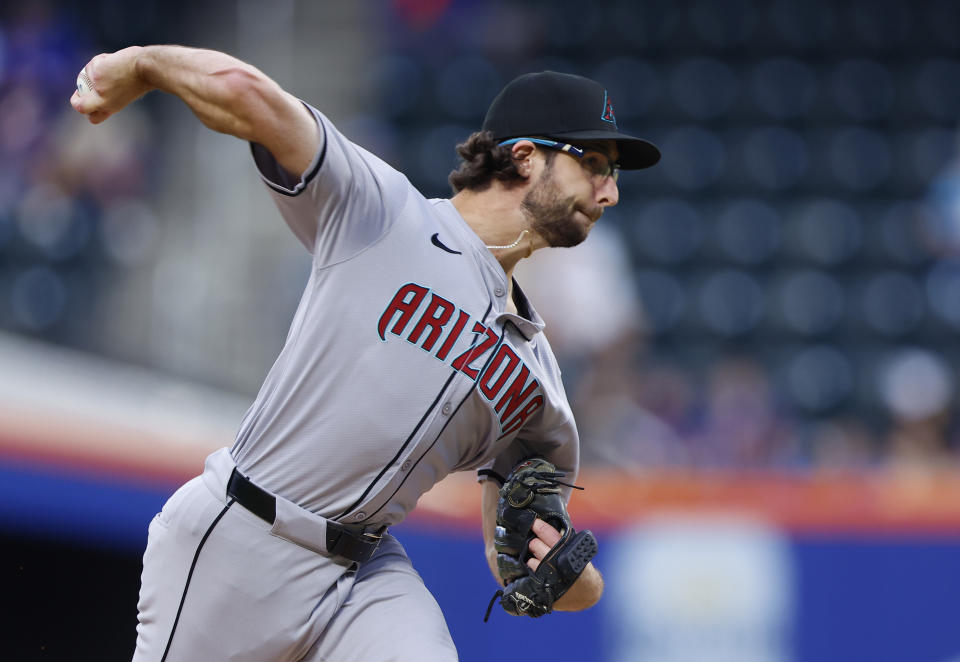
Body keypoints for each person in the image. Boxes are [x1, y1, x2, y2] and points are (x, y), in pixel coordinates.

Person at [70, 46, 660, 661]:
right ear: (524, 155)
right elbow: (248, 95)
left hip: (365, 576)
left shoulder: (539, 381)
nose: (609, 191)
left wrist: (577, 581)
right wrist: (139, 65)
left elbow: (517, 558)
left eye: (612, 173)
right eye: (593, 162)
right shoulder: (383, 213)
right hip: (243, 536)